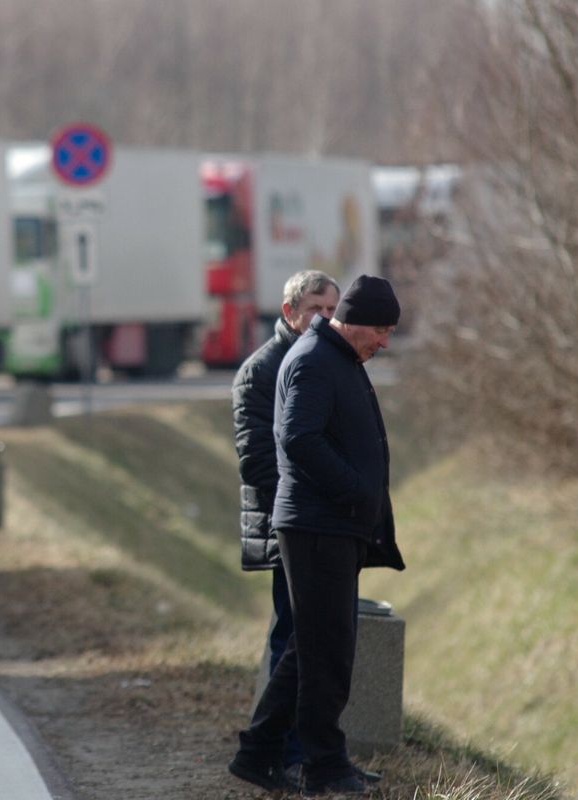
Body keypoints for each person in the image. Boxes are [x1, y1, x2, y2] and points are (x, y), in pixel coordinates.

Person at [228, 274, 406, 796]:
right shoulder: (313, 359)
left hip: (331, 525)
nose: (385, 342)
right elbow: (296, 437)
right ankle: (324, 767)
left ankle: (258, 753)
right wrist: (353, 490)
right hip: (316, 526)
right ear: (352, 321)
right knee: (326, 653)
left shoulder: (337, 356)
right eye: (380, 330)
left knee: (311, 650)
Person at [231, 270, 340, 782]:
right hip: (286, 524)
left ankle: (302, 751)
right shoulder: (262, 369)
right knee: (293, 638)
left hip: (319, 524)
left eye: (332, 309)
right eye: (317, 308)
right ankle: (283, 753)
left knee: (308, 637)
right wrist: (307, 506)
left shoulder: (326, 362)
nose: (326, 317)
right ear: (289, 309)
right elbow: (257, 460)